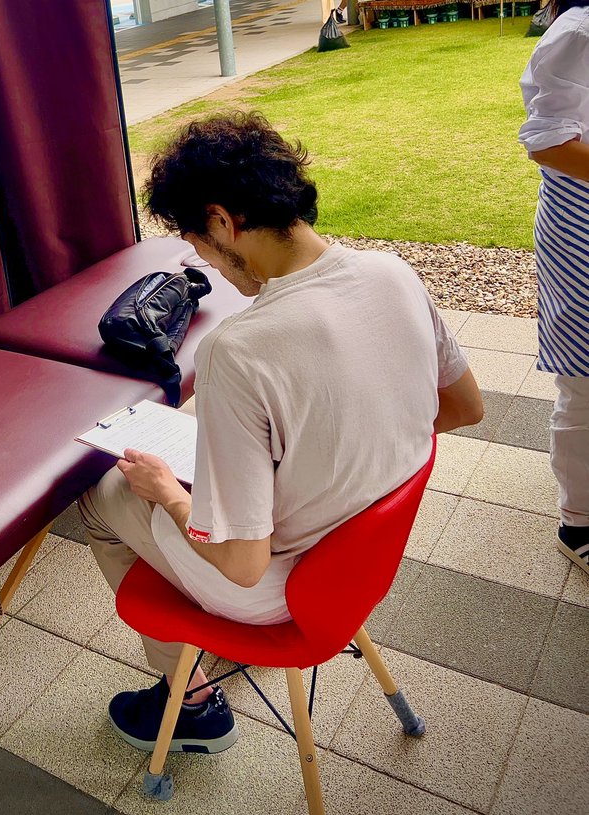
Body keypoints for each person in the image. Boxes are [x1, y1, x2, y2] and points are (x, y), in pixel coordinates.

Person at [79, 112, 483, 755]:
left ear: (221, 221)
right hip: (354, 569)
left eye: (198, 247)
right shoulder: (394, 274)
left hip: (272, 592)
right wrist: (349, 455)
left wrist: (164, 490)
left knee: (104, 497)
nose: (205, 264)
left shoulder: (238, 351)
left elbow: (242, 565)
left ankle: (188, 701)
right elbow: (464, 408)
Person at [519, 0, 589, 577]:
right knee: (585, 378)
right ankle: (579, 522)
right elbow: (547, 139)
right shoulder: (580, 32)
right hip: (582, 229)